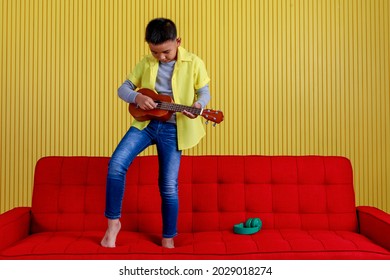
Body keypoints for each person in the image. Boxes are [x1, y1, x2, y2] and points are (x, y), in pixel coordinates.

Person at [101, 18, 211, 249]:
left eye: (166, 52)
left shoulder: (195, 63)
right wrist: (137, 97)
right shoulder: (145, 63)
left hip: (174, 129)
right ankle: (113, 225)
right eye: (154, 52)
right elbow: (123, 88)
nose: (161, 57)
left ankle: (168, 237)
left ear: (178, 41)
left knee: (168, 185)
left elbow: (204, 92)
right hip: (145, 125)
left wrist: (199, 107)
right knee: (116, 165)